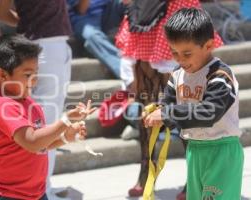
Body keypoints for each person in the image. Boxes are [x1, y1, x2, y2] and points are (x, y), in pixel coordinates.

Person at [115, 0, 223, 198]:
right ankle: (146, 173)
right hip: (144, 14)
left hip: (175, 12)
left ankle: (195, 177)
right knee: (147, 110)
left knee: (186, 113)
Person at [144, 8, 244, 200]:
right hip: (194, 150)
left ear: (208, 45)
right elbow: (169, 106)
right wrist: (157, 114)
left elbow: (209, 112)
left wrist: (167, 114)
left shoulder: (220, 76)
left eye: (187, 53)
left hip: (222, 151)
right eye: (174, 52)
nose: (180, 60)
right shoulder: (177, 75)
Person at [0, 34, 95, 200]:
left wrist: (65, 137)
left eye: (36, 73)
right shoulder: (3, 107)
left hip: (35, 193)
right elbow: (33, 142)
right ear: (3, 75)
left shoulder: (29, 103)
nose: (34, 81)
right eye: (27, 75)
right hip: (5, 195)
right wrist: (65, 120)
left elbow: (41, 146)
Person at [0, 1, 74, 198]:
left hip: (39, 44)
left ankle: (42, 184)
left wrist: (29, 22)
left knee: (42, 120)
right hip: (46, 47)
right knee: (46, 122)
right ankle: (42, 189)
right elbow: (1, 13)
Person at [67, 0, 125, 78]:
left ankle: (144, 54)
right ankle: (126, 71)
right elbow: (81, 10)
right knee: (92, 36)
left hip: (108, 12)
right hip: (83, 18)